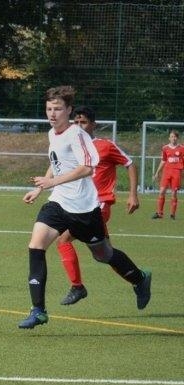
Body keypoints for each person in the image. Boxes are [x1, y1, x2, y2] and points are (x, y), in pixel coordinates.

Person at [19, 86, 151, 329]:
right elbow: (56, 163)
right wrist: (41, 188)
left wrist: (52, 182)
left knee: (103, 255)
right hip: (58, 203)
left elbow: (87, 168)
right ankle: (38, 310)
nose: (52, 113)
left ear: (68, 110)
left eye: (58, 109)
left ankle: (140, 278)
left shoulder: (77, 135)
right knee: (36, 246)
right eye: (49, 109)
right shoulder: (52, 133)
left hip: (84, 209)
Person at [55, 105, 140, 305]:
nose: (79, 126)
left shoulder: (105, 145)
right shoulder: (72, 146)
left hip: (99, 204)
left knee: (63, 239)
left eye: (83, 122)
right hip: (78, 205)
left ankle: (77, 287)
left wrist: (133, 195)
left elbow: (129, 164)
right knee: (104, 254)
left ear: (94, 125)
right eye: (76, 122)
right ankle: (140, 279)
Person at [151, 129, 181, 220]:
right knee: (161, 191)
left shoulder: (182, 148)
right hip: (166, 172)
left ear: (177, 138)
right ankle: (159, 213)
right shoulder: (165, 148)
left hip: (176, 172)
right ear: (169, 138)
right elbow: (163, 160)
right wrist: (157, 172)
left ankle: (172, 214)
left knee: (174, 193)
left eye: (175, 137)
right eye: (172, 136)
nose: (173, 138)